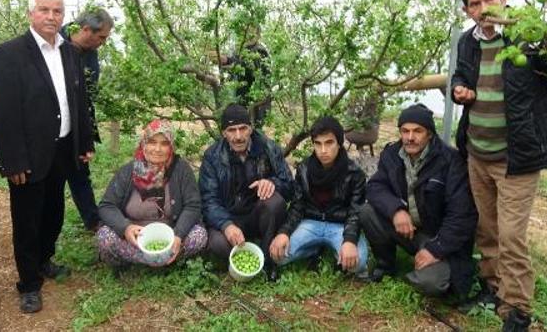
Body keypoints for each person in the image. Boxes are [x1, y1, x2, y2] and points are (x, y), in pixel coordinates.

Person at [451, 0, 547, 331]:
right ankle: (493, 288)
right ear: (466, 10)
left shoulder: (531, 38)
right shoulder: (467, 42)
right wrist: (459, 88)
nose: (483, 9)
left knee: (511, 236)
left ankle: (518, 308)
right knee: (488, 229)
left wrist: (544, 133)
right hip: (478, 153)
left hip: (516, 160)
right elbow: (460, 76)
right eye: (474, 4)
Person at [0, 0, 94, 313]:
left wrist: (84, 141)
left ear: (64, 16)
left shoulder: (69, 52)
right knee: (27, 219)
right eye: (44, 10)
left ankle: (45, 260)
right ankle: (28, 283)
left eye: (57, 11)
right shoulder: (10, 54)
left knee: (54, 213)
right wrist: (12, 160)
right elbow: (4, 112)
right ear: (31, 13)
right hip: (28, 153)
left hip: (63, 148)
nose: (51, 17)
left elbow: (78, 101)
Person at [359, 104, 478, 300]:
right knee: (366, 212)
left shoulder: (451, 161)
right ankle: (386, 266)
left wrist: (435, 249)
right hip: (409, 230)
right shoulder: (391, 154)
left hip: (439, 237)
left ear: (429, 133)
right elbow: (375, 187)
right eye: (405, 131)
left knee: (430, 283)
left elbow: (462, 216)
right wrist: (396, 210)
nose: (410, 137)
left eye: (417, 131)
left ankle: (424, 271)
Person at [96, 120, 207, 270]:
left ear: (171, 146)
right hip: (135, 238)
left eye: (164, 143)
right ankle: (159, 260)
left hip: (170, 234)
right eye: (152, 142)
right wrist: (126, 228)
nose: (157, 149)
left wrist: (179, 234)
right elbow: (106, 206)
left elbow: (193, 205)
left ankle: (157, 257)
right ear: (143, 143)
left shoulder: (181, 169)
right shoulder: (129, 171)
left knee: (199, 236)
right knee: (105, 237)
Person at [199, 104, 293, 281]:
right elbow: (208, 200)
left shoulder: (269, 148)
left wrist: (272, 183)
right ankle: (238, 254)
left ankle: (267, 261)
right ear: (223, 133)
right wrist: (226, 225)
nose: (238, 136)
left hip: (257, 215)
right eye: (232, 130)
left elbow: (290, 186)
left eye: (243, 128)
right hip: (229, 215)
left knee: (274, 202)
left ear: (251, 128)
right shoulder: (212, 156)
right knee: (218, 244)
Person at [269, 116, 369, 279]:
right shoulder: (304, 168)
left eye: (329, 143)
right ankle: (315, 249)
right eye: (318, 143)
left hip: (340, 225)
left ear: (339, 142)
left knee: (357, 263)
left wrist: (350, 240)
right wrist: (284, 232)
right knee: (278, 256)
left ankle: (337, 251)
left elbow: (355, 211)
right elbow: (297, 205)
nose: (323, 150)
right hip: (311, 222)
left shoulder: (354, 173)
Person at [60, 8, 114, 231]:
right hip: (53, 128)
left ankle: (93, 221)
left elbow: (89, 93)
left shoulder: (91, 52)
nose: (103, 42)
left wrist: (86, 134)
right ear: (85, 30)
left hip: (78, 126)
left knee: (81, 174)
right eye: (101, 37)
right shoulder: (55, 44)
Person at [220, 25, 271, 127]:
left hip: (255, 106)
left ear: (257, 35)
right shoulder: (240, 51)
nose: (247, 34)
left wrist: (228, 61)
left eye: (251, 32)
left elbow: (249, 67)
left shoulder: (260, 51)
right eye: (246, 31)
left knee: (253, 134)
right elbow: (235, 71)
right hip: (240, 104)